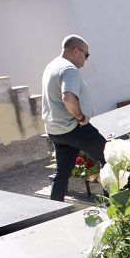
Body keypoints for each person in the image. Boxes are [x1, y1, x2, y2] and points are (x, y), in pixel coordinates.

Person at [42, 35, 106, 202]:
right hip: (74, 128)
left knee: (62, 173)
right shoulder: (69, 69)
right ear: (75, 50)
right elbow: (68, 98)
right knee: (109, 156)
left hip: (56, 130)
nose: (86, 59)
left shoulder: (52, 66)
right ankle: (114, 203)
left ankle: (53, 210)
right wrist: (81, 117)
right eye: (86, 55)